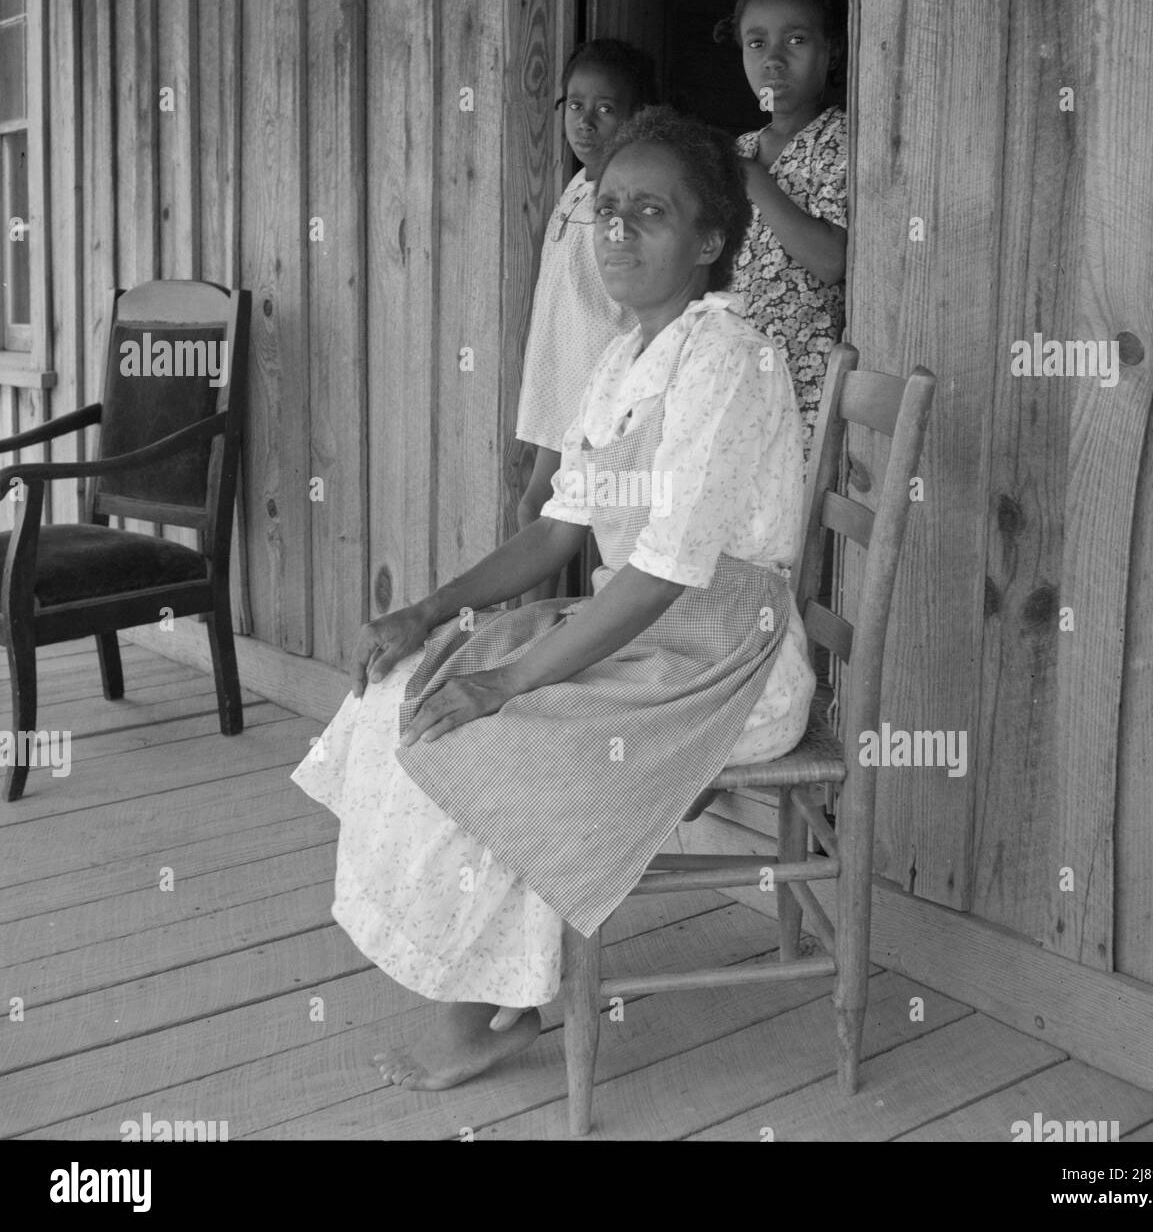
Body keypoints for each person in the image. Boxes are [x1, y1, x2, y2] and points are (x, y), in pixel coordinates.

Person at [292, 107, 815, 1093]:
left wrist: (510, 684)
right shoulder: (625, 358)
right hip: (645, 634)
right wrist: (428, 611)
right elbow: (556, 532)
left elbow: (668, 571)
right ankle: (504, 985)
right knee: (413, 680)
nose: (617, 231)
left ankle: (478, 1017)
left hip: (731, 661)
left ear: (710, 239)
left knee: (490, 725)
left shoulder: (727, 360)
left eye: (649, 212)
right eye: (608, 209)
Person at [515, 39, 657, 599]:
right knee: (539, 505)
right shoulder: (577, 186)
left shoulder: (629, 193)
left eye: (605, 109)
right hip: (557, 375)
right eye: (575, 106)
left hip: (601, 383)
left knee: (609, 516)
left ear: (636, 117)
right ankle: (531, 631)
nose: (586, 122)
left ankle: (582, 642)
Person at [718, 0, 848, 454]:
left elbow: (831, 261)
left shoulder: (838, 140)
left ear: (831, 51)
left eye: (795, 40)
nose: (773, 59)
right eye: (757, 43)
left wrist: (755, 182)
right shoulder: (734, 152)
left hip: (804, 392)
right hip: (732, 387)